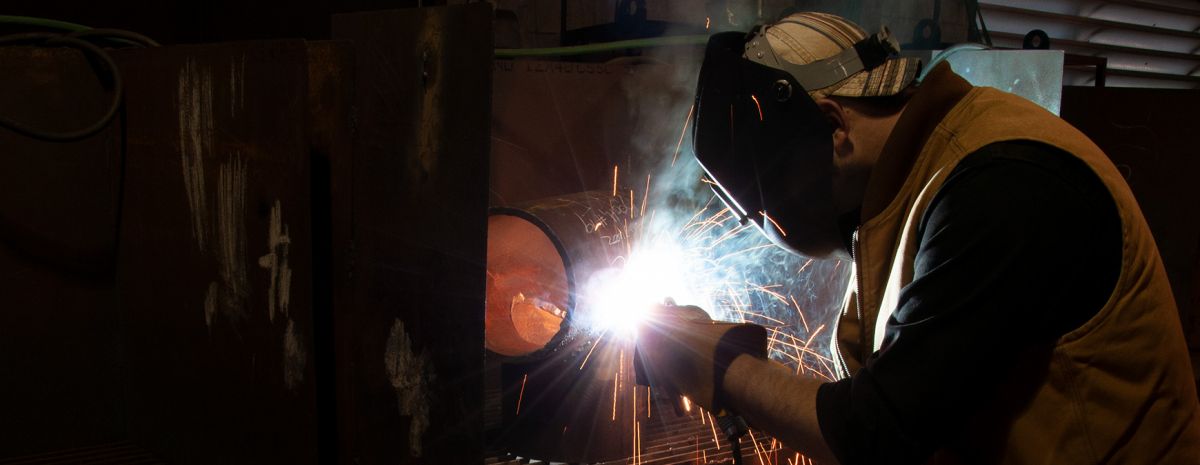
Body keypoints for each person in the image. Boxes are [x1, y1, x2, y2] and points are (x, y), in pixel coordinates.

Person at [635, 11, 1200, 464]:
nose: (774, 229)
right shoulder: (914, 185)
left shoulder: (1000, 187)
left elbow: (877, 437)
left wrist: (716, 362)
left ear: (834, 127)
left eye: (768, 208)